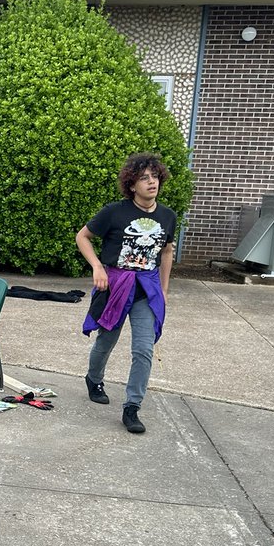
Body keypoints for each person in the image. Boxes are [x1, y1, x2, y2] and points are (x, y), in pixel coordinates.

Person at [76, 152, 177, 434]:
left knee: (143, 349)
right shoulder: (114, 212)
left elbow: (167, 252)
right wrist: (97, 267)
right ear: (132, 185)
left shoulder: (167, 216)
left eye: (154, 177)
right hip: (115, 287)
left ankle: (132, 406)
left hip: (147, 289)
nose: (151, 182)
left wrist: (164, 290)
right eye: (144, 178)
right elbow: (82, 236)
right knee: (106, 341)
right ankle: (93, 379)